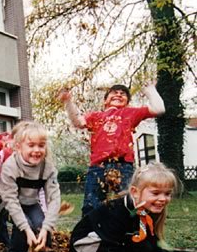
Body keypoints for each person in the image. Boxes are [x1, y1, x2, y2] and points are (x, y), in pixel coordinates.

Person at [59, 83, 165, 215]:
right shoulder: (95, 116)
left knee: (126, 203)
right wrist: (68, 101)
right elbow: (78, 122)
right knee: (91, 204)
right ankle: (90, 233)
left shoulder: (130, 113)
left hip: (123, 165)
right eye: (114, 92)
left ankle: (124, 233)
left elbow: (159, 109)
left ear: (127, 102)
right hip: (98, 166)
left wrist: (150, 90)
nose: (119, 94)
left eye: (123, 94)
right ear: (105, 101)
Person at [0, 121, 61, 252]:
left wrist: (46, 227)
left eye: (41, 145)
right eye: (31, 145)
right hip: (5, 202)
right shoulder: (10, 166)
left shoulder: (48, 168)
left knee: (39, 224)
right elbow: (11, 201)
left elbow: (54, 199)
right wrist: (26, 228)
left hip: (30, 202)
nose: (36, 150)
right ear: (19, 147)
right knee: (24, 227)